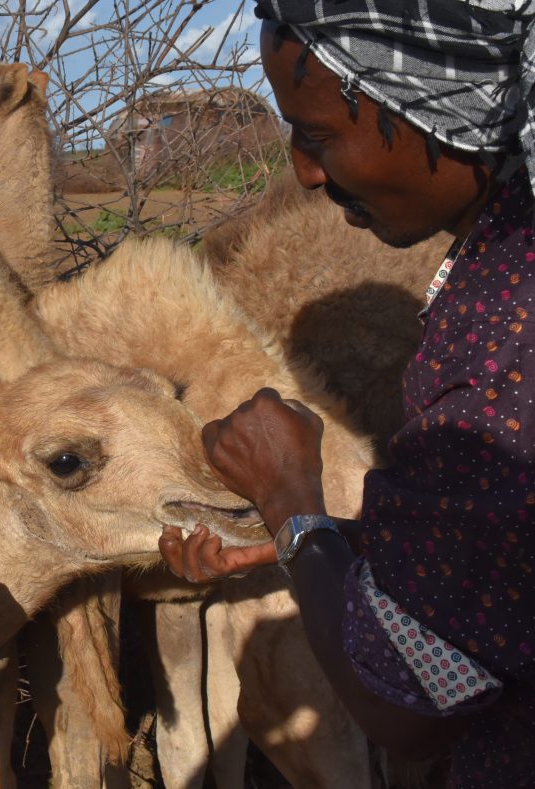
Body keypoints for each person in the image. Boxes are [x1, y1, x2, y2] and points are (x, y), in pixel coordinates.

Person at [159, 4, 535, 786]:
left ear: (435, 104)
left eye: (320, 135)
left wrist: (289, 501)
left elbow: (412, 701)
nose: (303, 173)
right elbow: (500, 556)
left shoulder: (501, 338)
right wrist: (321, 541)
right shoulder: (498, 260)